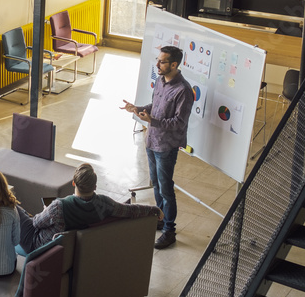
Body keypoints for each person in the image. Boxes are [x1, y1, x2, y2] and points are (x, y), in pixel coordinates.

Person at [121, 45, 193, 250]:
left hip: (166, 146)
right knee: (156, 185)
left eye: (162, 62)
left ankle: (169, 230)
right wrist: (138, 109)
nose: (157, 64)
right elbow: (156, 107)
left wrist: (153, 121)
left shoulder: (184, 91)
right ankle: (160, 218)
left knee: (166, 188)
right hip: (151, 141)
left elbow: (179, 122)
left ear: (174, 64)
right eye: (158, 60)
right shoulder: (160, 81)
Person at [16, 163, 161, 253]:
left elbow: (36, 223)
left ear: (74, 183)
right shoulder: (104, 204)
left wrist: (45, 210)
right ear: (95, 187)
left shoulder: (58, 206)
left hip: (39, 246)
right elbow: (130, 210)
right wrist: (154, 209)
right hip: (66, 250)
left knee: (14, 206)